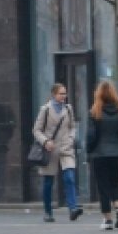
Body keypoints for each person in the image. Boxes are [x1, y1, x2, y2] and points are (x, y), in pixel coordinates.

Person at [87, 80, 118, 230]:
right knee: (115, 183)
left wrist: (90, 150)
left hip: (100, 154)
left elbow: (91, 135)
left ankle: (108, 220)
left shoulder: (95, 111)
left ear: (99, 94)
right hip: (117, 154)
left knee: (103, 186)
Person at [32, 83, 82, 223]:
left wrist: (71, 138)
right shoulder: (45, 109)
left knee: (69, 177)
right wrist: (45, 142)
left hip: (66, 148)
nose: (64, 96)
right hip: (50, 149)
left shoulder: (68, 109)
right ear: (54, 94)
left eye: (65, 93)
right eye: (61, 93)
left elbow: (72, 127)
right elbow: (36, 130)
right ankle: (48, 211)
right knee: (48, 182)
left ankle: (73, 209)